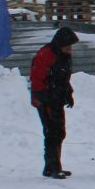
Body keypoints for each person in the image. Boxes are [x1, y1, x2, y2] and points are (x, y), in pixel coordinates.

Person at [28, 26, 79, 179]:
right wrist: (45, 100)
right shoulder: (46, 55)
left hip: (56, 99)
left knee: (58, 132)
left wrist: (68, 94)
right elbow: (36, 80)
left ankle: (51, 167)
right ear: (60, 44)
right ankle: (54, 168)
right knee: (53, 133)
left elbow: (63, 78)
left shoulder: (63, 55)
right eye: (68, 46)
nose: (71, 49)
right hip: (46, 100)